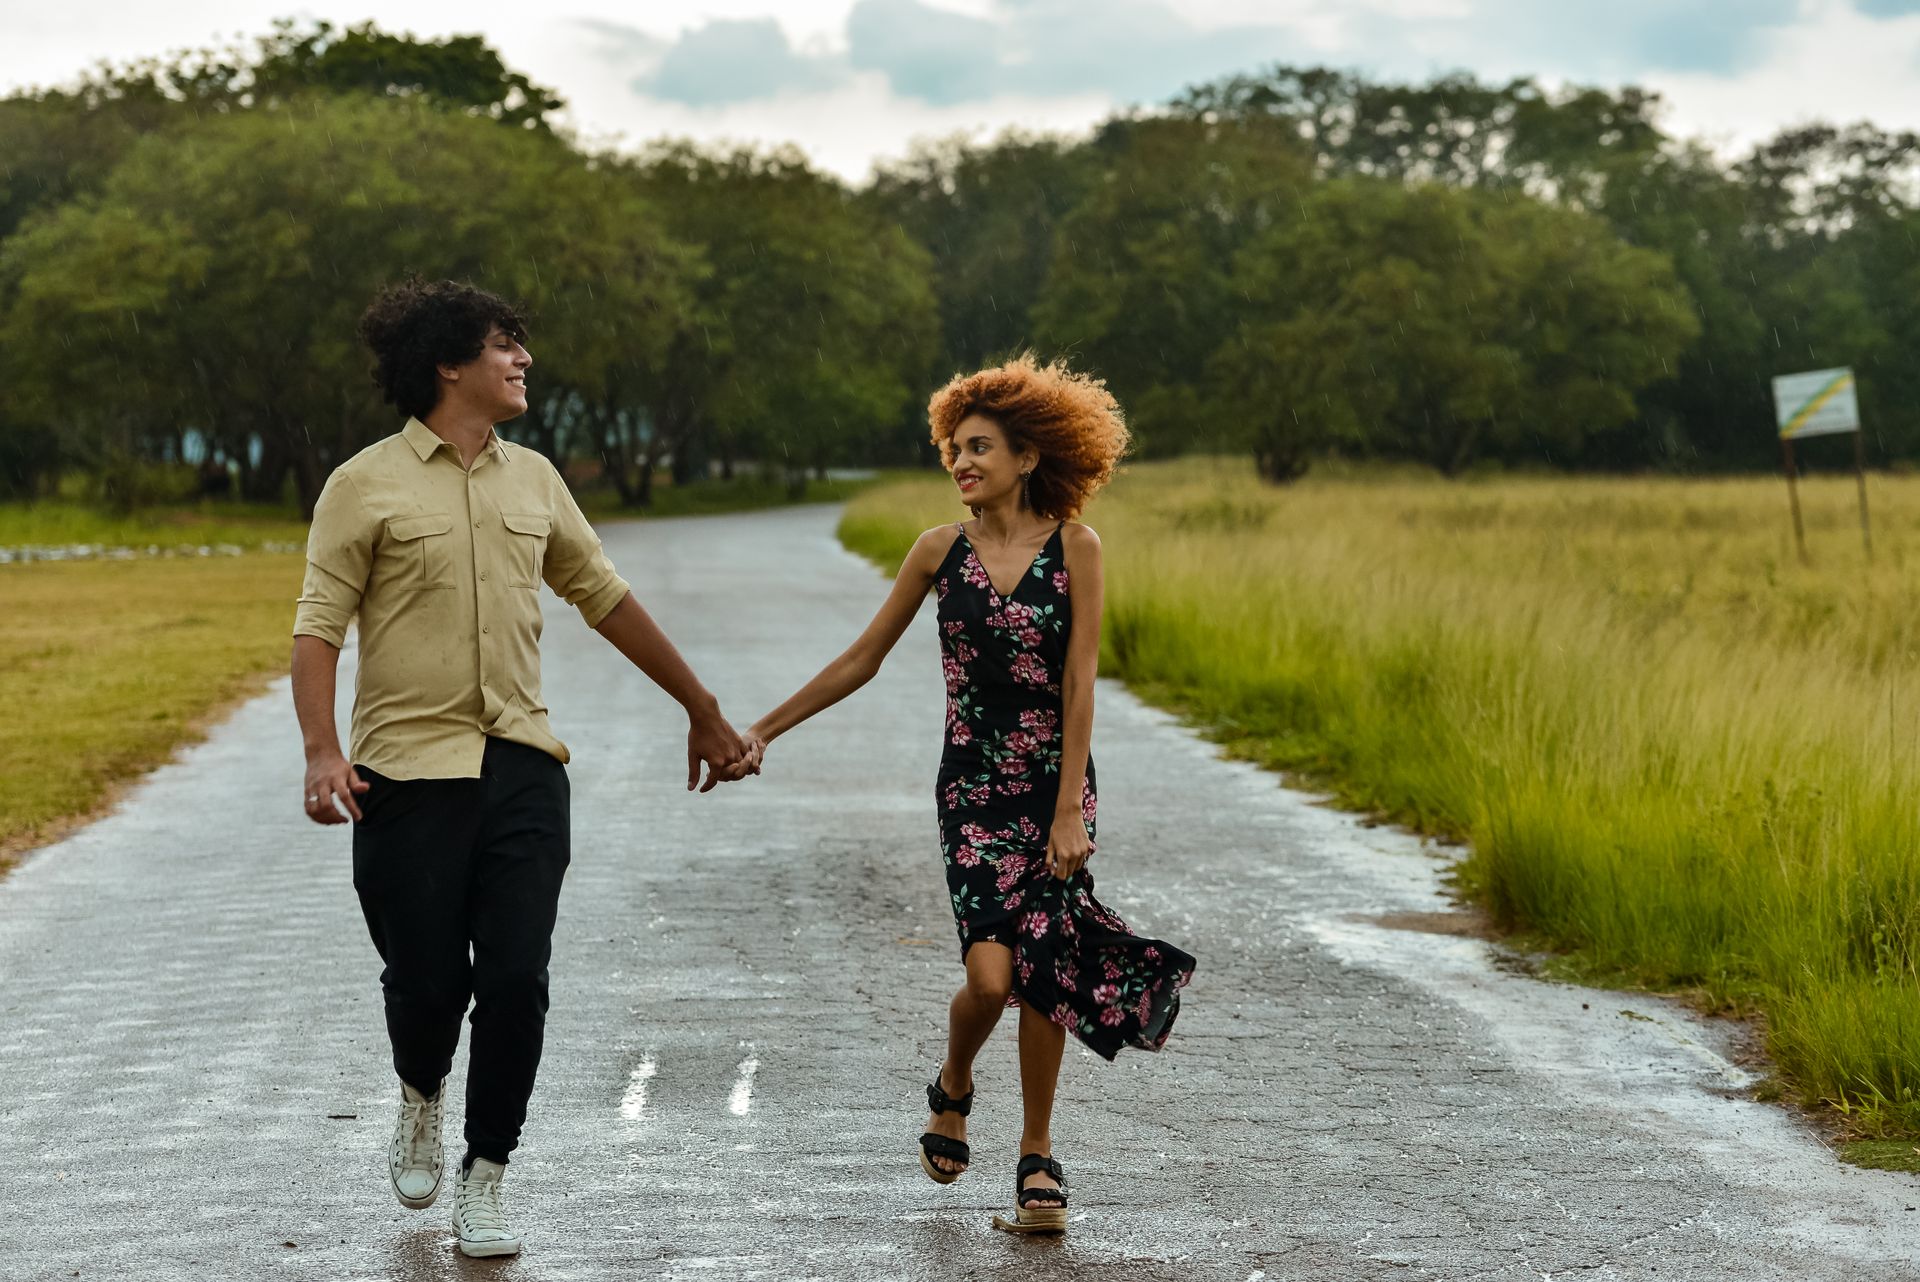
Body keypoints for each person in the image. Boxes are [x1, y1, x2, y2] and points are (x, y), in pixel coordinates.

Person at [290, 278, 752, 1259]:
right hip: (403, 777)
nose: (524, 360)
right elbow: (318, 628)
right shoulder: (362, 485)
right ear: (450, 362)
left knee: (515, 977)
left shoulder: (535, 480)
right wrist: (322, 749)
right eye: (506, 344)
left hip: (522, 767)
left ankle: (486, 1174)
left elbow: (608, 598)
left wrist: (702, 708)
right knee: (425, 984)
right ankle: (421, 1091)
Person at [742, 354, 1195, 1235]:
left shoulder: (1077, 548)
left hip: (1055, 788)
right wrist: (762, 730)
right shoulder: (936, 551)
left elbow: (1080, 683)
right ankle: (953, 1085)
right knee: (988, 981)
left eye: (979, 448)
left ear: (1028, 457)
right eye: (954, 449)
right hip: (974, 791)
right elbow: (859, 661)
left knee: (1044, 974)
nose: (961, 463)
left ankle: (1036, 1159)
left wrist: (1070, 808)